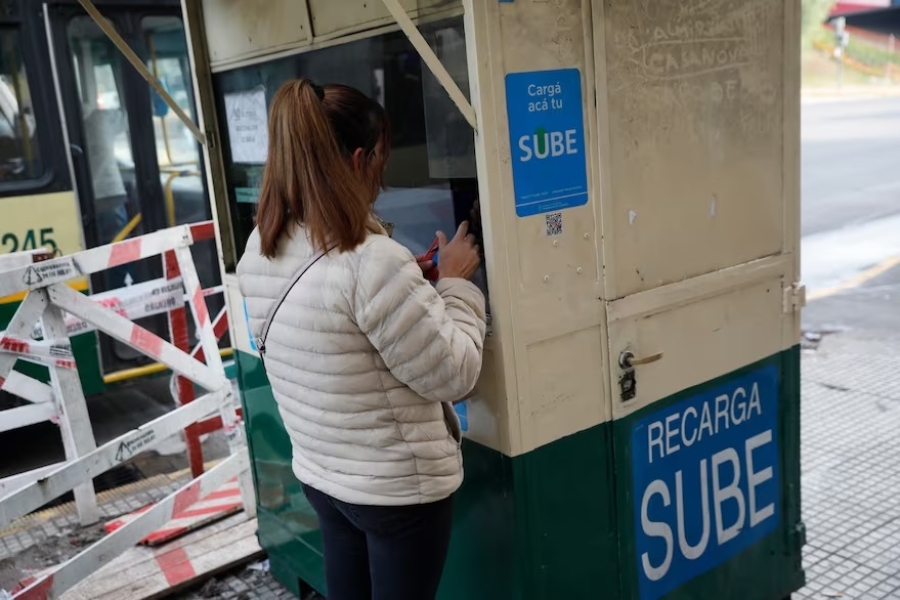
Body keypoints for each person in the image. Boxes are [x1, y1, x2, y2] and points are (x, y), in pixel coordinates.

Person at [236, 79, 486, 600]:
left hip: (325, 478)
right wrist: (456, 282)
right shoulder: (371, 263)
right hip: (396, 493)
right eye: (380, 159)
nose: (383, 175)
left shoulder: (261, 246)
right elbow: (456, 374)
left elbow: (335, 319)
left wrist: (407, 284)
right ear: (357, 159)